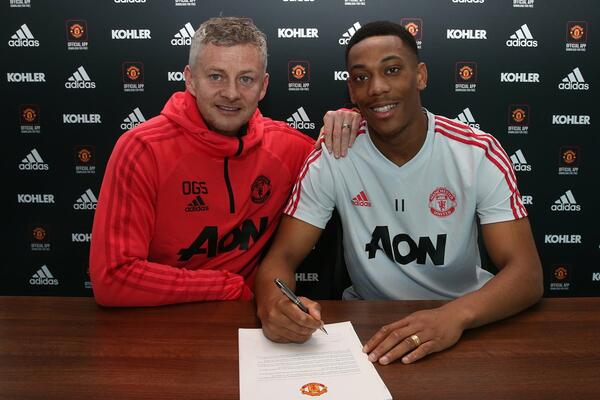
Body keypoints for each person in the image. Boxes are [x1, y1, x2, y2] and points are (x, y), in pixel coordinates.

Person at [255, 21, 543, 365]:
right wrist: (275, 305)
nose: (377, 87)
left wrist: (454, 316)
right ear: (351, 90)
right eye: (361, 77)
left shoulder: (476, 152)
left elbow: (526, 274)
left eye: (392, 70)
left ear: (420, 76)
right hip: (370, 327)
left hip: (467, 320)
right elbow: (281, 258)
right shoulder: (334, 155)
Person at [89, 17, 360, 307]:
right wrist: (228, 287)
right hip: (162, 320)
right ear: (190, 80)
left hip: (244, 320)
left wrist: (354, 119)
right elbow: (114, 277)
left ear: (263, 86)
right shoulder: (142, 149)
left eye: (246, 79)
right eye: (216, 76)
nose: (231, 93)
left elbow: (354, 153)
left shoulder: (288, 148)